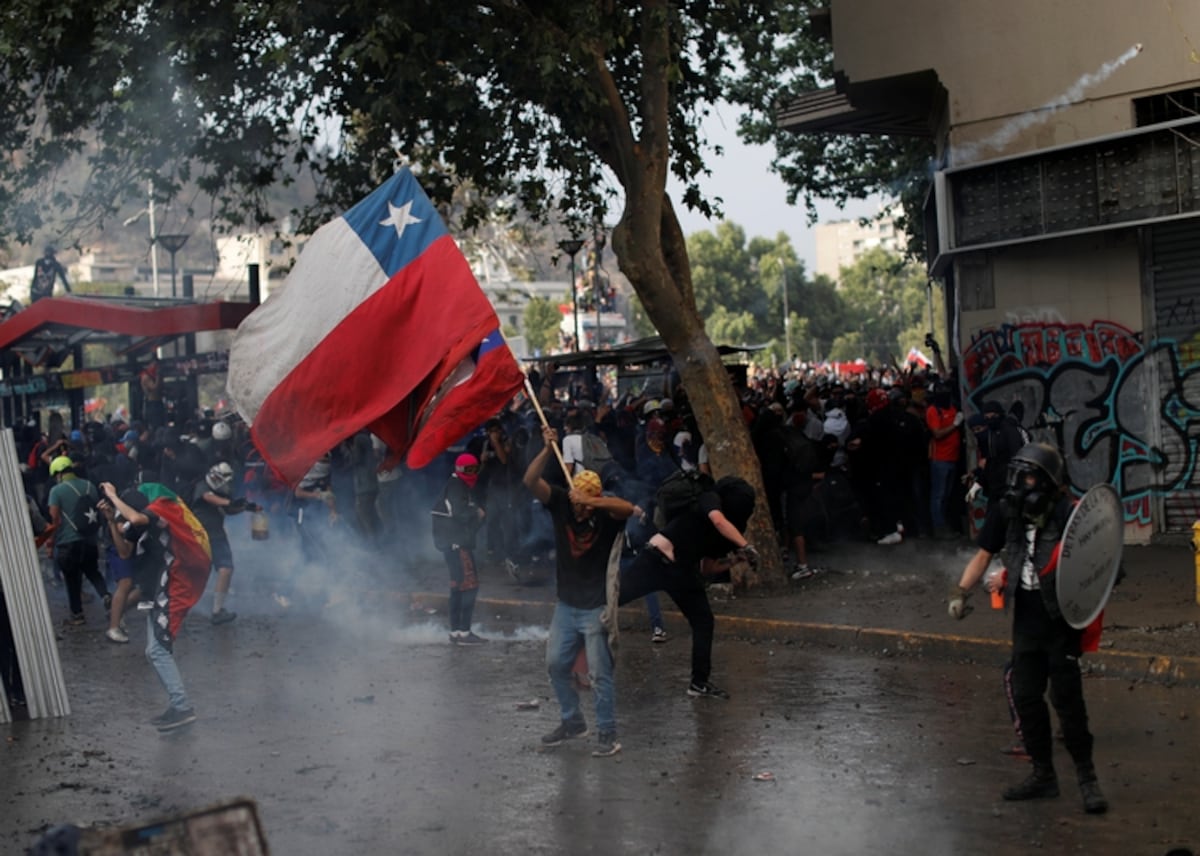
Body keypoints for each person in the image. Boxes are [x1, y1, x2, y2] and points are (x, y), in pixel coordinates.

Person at [947, 443, 1109, 815]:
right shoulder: (1008, 512)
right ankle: (1043, 776)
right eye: (1017, 475)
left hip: (1062, 620)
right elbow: (984, 554)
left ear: (1050, 481)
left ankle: (1087, 779)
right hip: (1027, 619)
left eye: (1030, 476)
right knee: (1027, 698)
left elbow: (1100, 565)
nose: (1021, 484)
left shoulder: (1071, 514)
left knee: (1069, 703)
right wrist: (960, 592)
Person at [523, 425, 635, 757]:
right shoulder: (561, 502)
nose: (582, 510)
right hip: (566, 605)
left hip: (595, 607)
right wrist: (546, 449)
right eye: (579, 502)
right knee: (556, 664)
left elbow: (627, 508)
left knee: (600, 675)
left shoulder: (606, 515)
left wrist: (593, 502)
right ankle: (573, 722)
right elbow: (530, 482)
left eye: (588, 504)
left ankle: (608, 733)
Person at [618, 474, 758, 699]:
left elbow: (707, 568)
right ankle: (572, 632)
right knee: (610, 600)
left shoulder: (729, 531)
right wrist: (747, 546)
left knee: (704, 621)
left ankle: (699, 683)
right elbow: (718, 521)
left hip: (681, 571)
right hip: (656, 559)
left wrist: (736, 559)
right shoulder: (710, 498)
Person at [99, 481, 212, 732]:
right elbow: (125, 551)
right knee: (155, 651)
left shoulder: (162, 507)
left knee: (158, 651)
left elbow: (137, 519)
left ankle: (182, 707)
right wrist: (110, 520)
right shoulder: (139, 519)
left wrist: (113, 495)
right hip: (156, 589)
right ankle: (178, 705)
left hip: (174, 585)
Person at [191, 462, 259, 625]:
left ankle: (217, 610)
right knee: (192, 571)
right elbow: (210, 498)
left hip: (217, 535)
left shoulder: (223, 492)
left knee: (226, 569)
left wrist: (244, 507)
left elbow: (229, 510)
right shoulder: (203, 486)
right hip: (201, 535)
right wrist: (229, 503)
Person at [46, 455, 110, 625]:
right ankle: (106, 596)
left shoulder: (56, 491)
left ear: (58, 473)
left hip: (68, 542)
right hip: (89, 540)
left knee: (72, 579)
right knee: (93, 572)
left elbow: (55, 520)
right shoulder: (89, 485)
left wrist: (50, 543)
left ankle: (77, 614)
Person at [432, 453, 487, 645]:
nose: (474, 474)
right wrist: (477, 512)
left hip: (451, 544)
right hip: (457, 544)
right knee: (469, 586)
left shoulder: (454, 484)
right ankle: (464, 632)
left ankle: (455, 631)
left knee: (457, 586)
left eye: (476, 469)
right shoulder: (457, 487)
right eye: (470, 470)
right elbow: (460, 513)